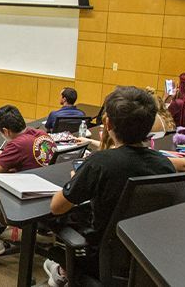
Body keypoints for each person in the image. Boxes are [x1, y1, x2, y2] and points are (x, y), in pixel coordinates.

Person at [44, 86, 175, 283]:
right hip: (144, 257)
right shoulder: (165, 164)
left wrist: (76, 179)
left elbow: (57, 206)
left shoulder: (100, 164)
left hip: (101, 256)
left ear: (107, 123)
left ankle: (65, 272)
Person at [0, 105, 55, 261]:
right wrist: (6, 158)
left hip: (28, 201)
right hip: (49, 194)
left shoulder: (17, 144)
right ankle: (0, 224)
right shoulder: (41, 135)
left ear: (6, 131)